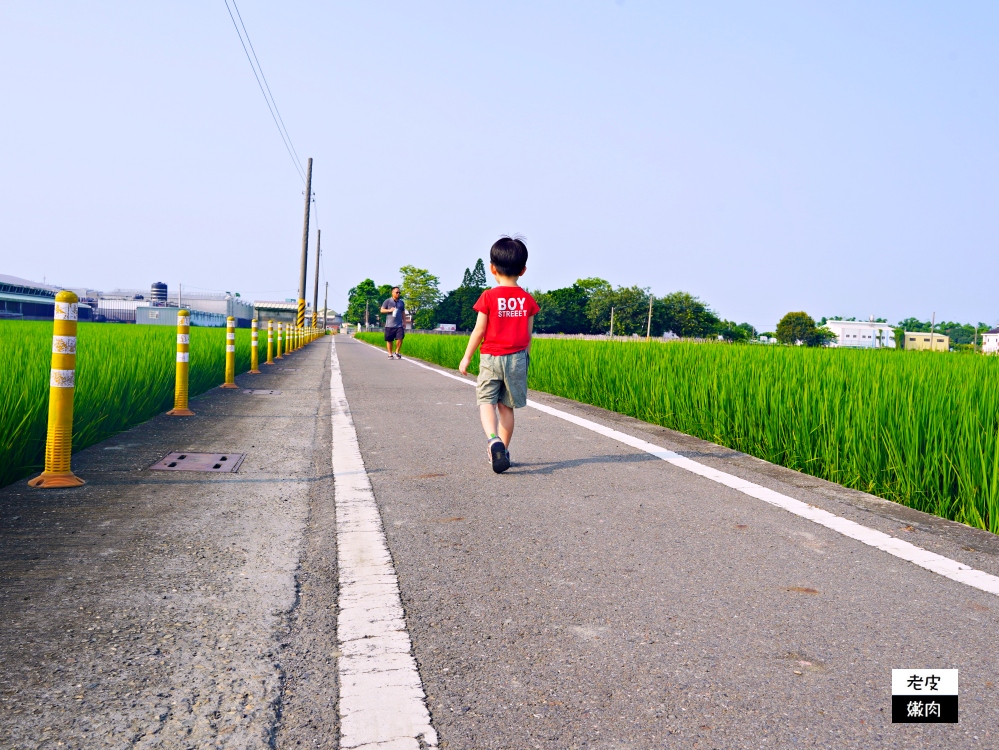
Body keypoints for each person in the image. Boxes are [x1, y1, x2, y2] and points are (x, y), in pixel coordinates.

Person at [459, 237, 539, 473]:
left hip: (491, 358)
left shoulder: (489, 297)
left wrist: (467, 357)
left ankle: (493, 439)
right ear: (523, 270)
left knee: (486, 401)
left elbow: (479, 330)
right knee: (507, 407)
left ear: (492, 268)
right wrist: (525, 361)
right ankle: (502, 450)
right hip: (517, 359)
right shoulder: (528, 300)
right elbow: (528, 336)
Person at [380, 286, 406, 359]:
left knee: (400, 338)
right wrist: (389, 310)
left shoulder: (401, 302)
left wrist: (404, 322)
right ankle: (390, 354)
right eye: (396, 292)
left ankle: (397, 351)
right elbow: (382, 310)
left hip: (399, 325)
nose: (398, 294)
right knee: (389, 340)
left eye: (399, 292)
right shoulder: (387, 301)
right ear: (392, 293)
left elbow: (403, 312)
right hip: (389, 325)